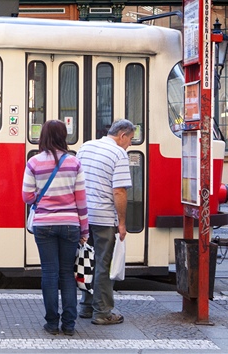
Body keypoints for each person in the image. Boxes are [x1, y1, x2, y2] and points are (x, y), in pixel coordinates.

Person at [22, 120, 89, 336]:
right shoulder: (74, 163)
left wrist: (44, 198)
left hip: (44, 225)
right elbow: (81, 200)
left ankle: (52, 323)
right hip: (70, 224)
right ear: (63, 136)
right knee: (66, 275)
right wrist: (85, 230)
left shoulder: (33, 162)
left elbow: (27, 196)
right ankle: (69, 324)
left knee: (49, 273)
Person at [75, 119, 134, 325]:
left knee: (87, 261)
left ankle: (86, 305)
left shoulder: (86, 147)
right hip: (103, 216)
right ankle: (102, 312)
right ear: (122, 135)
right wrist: (122, 222)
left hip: (83, 215)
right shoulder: (118, 154)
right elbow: (119, 191)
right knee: (103, 264)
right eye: (131, 140)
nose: (130, 144)